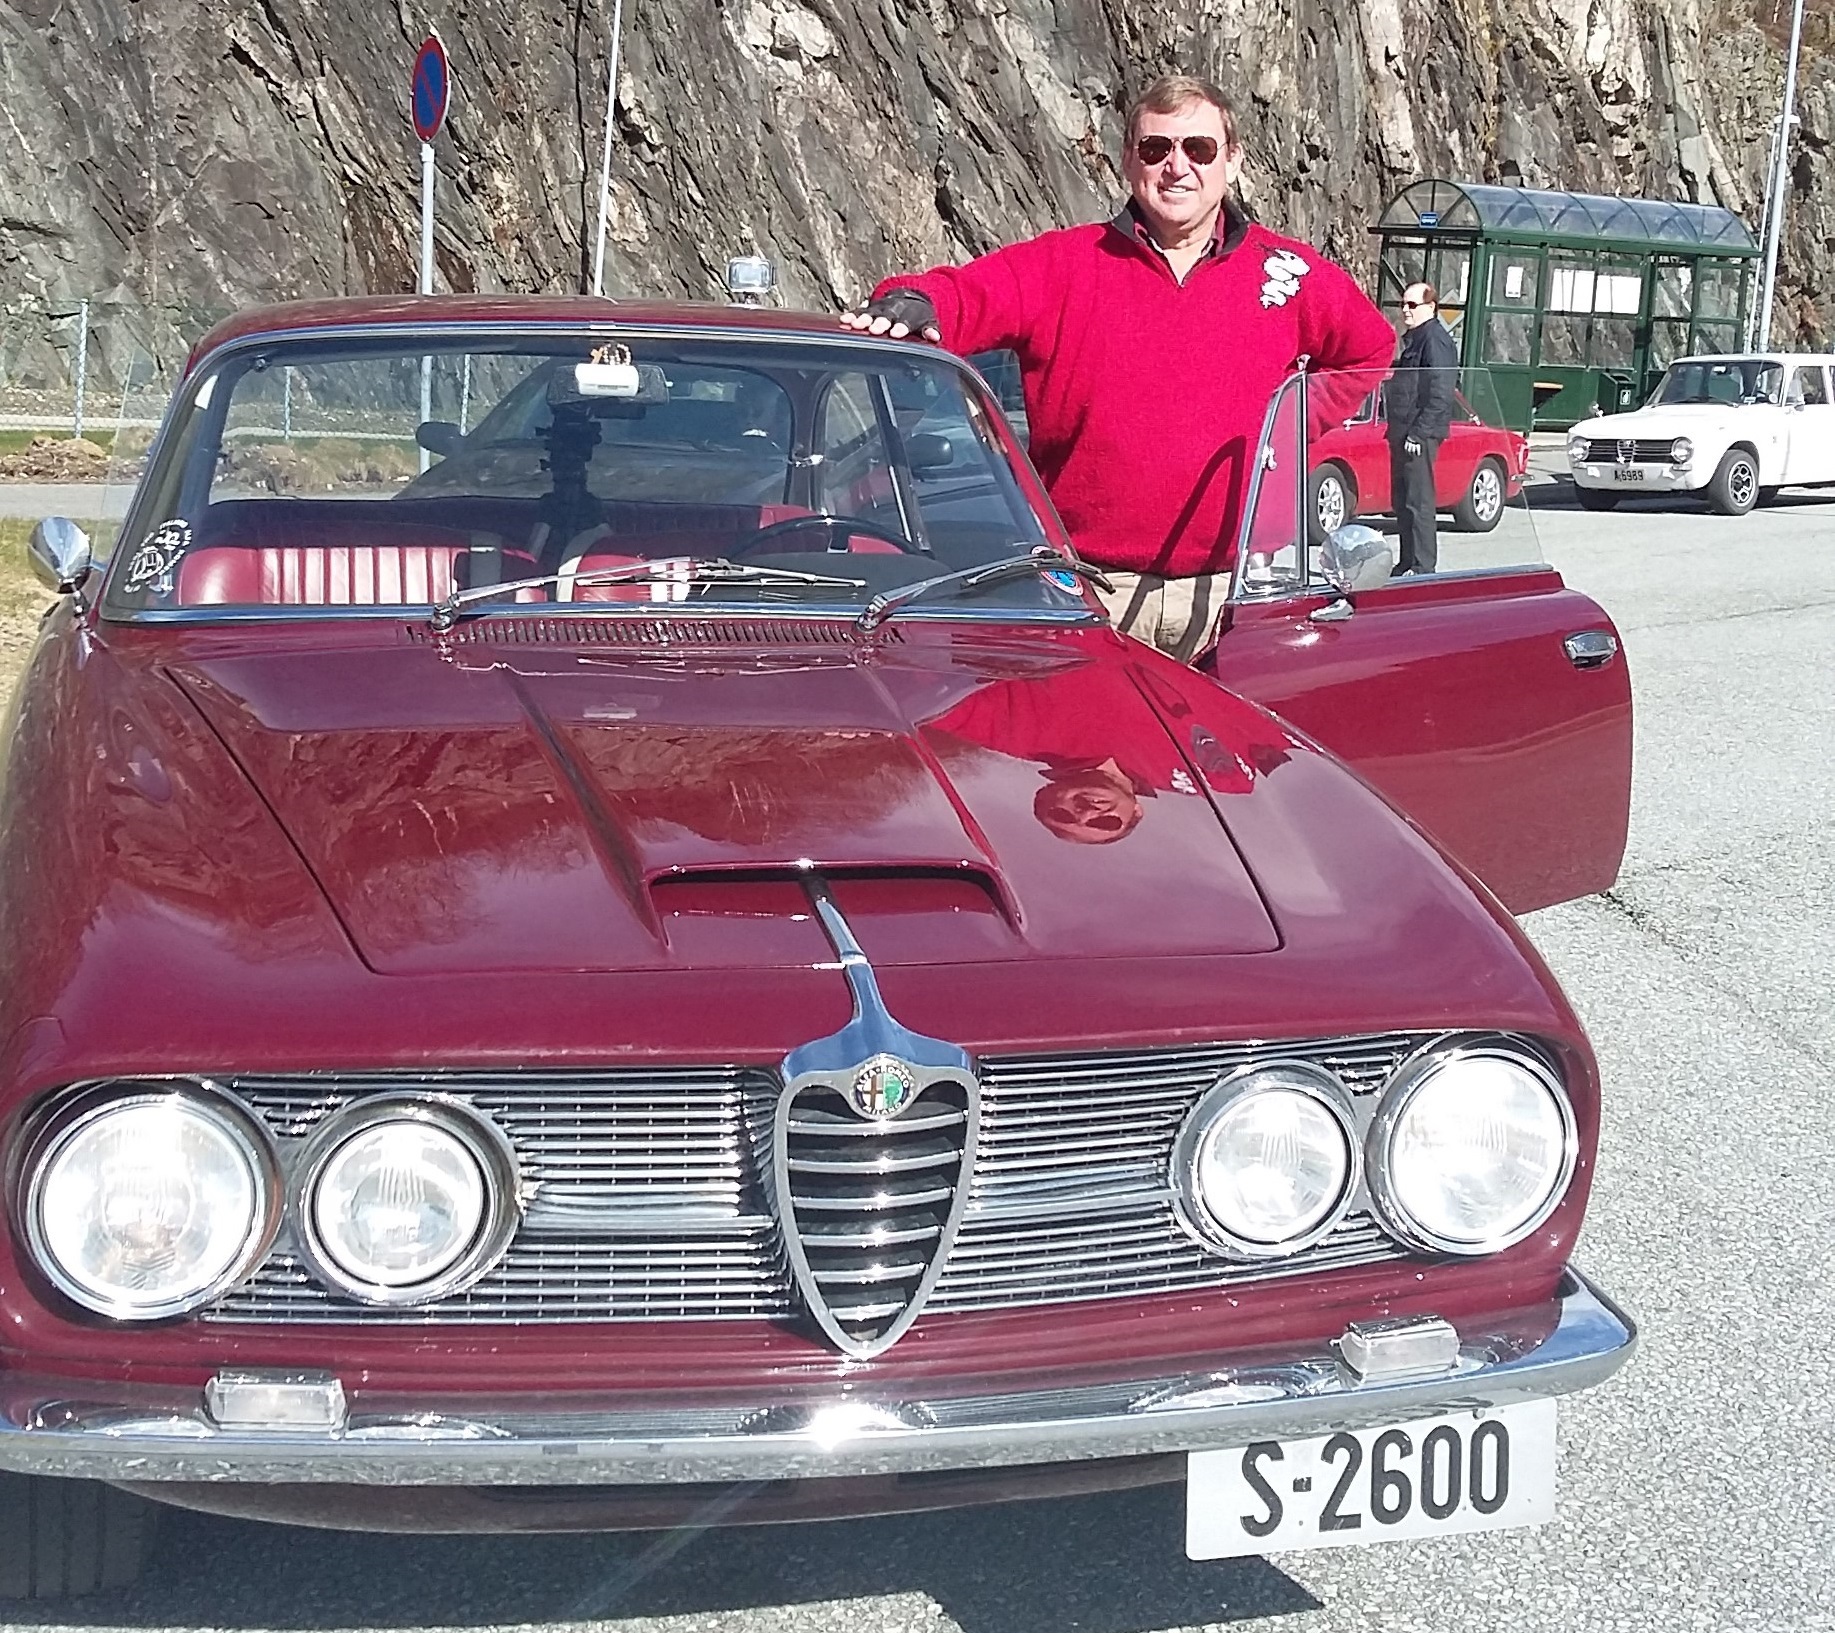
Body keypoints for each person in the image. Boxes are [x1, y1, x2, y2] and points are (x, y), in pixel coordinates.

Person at [842, 73, 1395, 663]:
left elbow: (1370, 348)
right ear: (1129, 161)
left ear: (1232, 161)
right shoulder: (1065, 265)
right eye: (1156, 149)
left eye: (1199, 148)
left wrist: (1286, 425)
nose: (1177, 167)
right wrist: (913, 301)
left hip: (1235, 592)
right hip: (1090, 591)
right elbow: (964, 297)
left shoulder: (1287, 273)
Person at [1385, 282, 1459, 575]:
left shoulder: (1434, 340)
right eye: (1403, 304)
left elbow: (1441, 390)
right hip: (1403, 430)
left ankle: (1423, 567)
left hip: (1419, 433)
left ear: (1431, 307)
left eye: (1412, 305)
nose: (1405, 310)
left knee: (1419, 500)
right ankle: (1407, 561)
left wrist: (1419, 432)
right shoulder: (1416, 339)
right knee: (1402, 500)